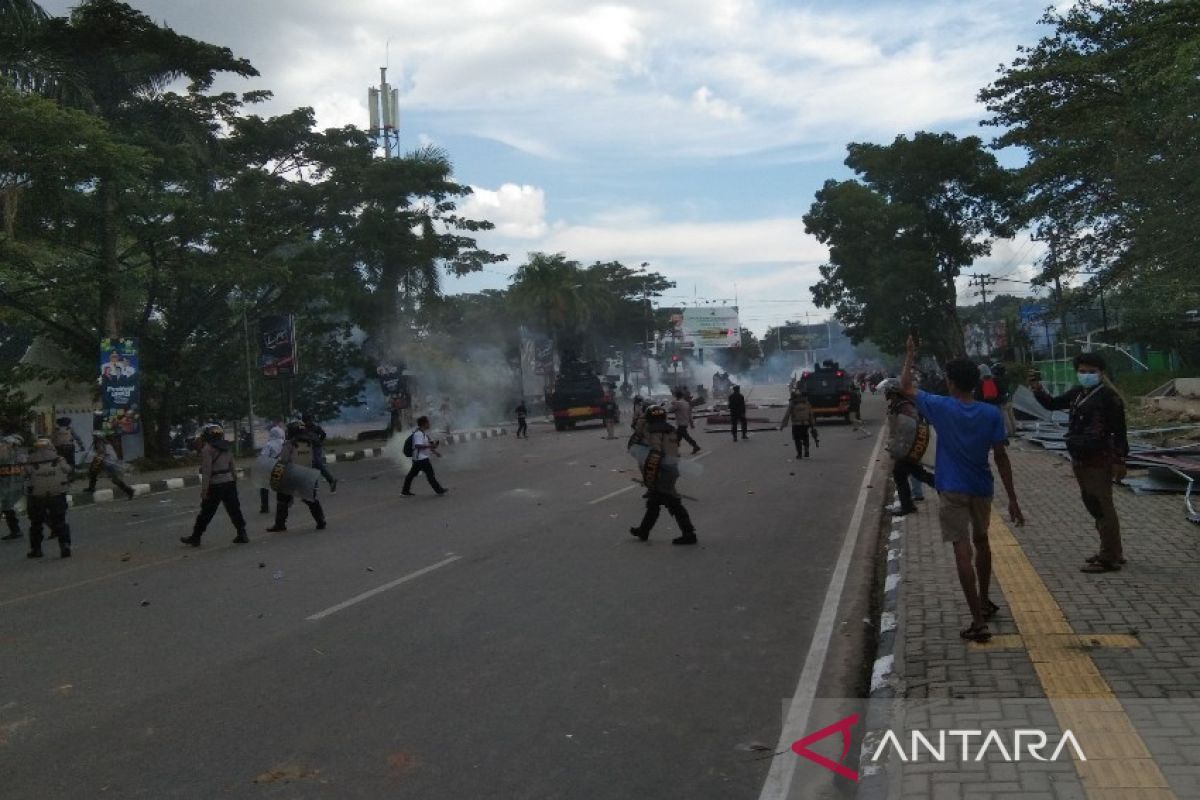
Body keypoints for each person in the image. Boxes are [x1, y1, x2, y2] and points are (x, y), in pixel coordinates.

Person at [900, 335, 1024, 643]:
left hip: (951, 487)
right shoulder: (991, 414)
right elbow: (1002, 456)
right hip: (982, 486)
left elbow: (905, 387)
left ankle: (978, 621)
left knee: (961, 549)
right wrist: (1013, 499)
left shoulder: (941, 406)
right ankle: (984, 599)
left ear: (952, 383)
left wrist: (910, 355)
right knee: (983, 542)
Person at [1029, 352, 1128, 573]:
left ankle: (1109, 557)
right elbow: (1052, 404)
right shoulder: (1078, 393)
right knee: (1093, 504)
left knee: (1103, 506)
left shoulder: (1109, 398)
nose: (1086, 375)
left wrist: (1119, 460)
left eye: (1091, 372)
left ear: (1101, 373)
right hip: (1080, 457)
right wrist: (1037, 387)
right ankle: (1112, 550)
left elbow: (1119, 431)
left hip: (1099, 458)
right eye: (1082, 371)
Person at [629, 404, 697, 545]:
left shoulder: (655, 432)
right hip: (672, 468)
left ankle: (689, 534)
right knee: (653, 503)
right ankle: (643, 530)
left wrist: (650, 475)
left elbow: (656, 454)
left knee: (674, 504)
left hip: (662, 473)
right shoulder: (671, 430)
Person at [180, 425, 247, 546]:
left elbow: (207, 471)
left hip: (215, 485)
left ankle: (196, 537)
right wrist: (234, 482)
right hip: (229, 483)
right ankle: (242, 534)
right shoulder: (227, 447)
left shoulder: (207, 449)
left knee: (206, 512)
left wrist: (204, 490)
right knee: (234, 510)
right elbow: (232, 467)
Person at [878, 378, 936, 516]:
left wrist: (899, 446)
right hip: (906, 448)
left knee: (903, 473)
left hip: (908, 448)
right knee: (917, 474)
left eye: (887, 391)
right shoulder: (898, 404)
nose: (885, 393)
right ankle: (909, 504)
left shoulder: (904, 406)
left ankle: (909, 505)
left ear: (893, 392)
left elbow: (909, 427)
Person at [267, 421, 327, 532]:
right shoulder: (309, 443)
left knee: (282, 499)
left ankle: (280, 524)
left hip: (292, 474)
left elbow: (284, 461)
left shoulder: (289, 444)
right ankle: (321, 521)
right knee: (311, 499)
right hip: (307, 474)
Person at [24, 437, 72, 558]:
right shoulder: (59, 459)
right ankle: (64, 545)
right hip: (57, 493)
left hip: (37, 496)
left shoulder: (31, 460)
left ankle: (36, 550)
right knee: (60, 521)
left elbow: (24, 474)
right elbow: (68, 470)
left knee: (36, 523)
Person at [402, 416, 448, 496]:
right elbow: (417, 445)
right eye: (428, 422)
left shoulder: (423, 433)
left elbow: (426, 445)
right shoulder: (418, 434)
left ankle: (404, 491)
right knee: (430, 474)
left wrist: (435, 452)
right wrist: (430, 446)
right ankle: (439, 490)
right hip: (421, 459)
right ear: (424, 424)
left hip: (418, 459)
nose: (429, 424)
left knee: (411, 475)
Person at [85, 433, 134, 499]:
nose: (93, 438)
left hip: (107, 462)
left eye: (94, 436)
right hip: (108, 462)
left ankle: (129, 491)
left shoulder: (99, 442)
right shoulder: (105, 442)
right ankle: (91, 487)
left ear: (97, 437)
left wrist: (96, 461)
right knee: (93, 472)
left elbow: (101, 452)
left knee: (114, 479)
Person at [302, 413, 337, 494]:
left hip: (315, 448)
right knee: (311, 466)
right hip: (308, 448)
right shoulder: (304, 428)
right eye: (307, 420)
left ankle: (331, 480)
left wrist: (319, 442)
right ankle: (315, 484)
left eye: (309, 420)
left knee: (317, 465)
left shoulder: (315, 428)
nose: (308, 422)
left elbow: (323, 434)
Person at [779, 389, 817, 459]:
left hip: (796, 424)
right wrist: (813, 426)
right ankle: (806, 450)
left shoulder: (793, 403)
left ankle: (799, 454)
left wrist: (782, 425)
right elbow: (811, 415)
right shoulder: (806, 402)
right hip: (805, 424)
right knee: (805, 436)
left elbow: (787, 415)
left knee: (797, 439)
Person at [1, 434, 25, 541]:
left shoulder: (6, 454)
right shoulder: (20, 455)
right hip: (15, 485)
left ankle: (16, 531)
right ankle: (15, 530)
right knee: (8, 509)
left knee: (8, 508)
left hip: (6, 485)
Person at [257, 423, 285, 514]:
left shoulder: (269, 444)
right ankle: (284, 505)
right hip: (281, 466)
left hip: (270, 467)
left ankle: (265, 507)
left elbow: (264, 456)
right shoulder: (284, 443)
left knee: (264, 486)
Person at [670, 389, 700, 454]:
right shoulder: (686, 403)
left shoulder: (678, 403)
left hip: (681, 423)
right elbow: (689, 414)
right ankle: (695, 446)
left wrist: (674, 403)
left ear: (676, 396)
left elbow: (670, 410)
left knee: (681, 437)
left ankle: (695, 446)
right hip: (685, 422)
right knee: (680, 436)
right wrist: (691, 423)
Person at [992, 363, 1018, 436]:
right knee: (1011, 416)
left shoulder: (995, 380)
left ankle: (1009, 432)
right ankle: (1014, 430)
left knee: (1005, 417)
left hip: (1002, 400)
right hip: (1008, 398)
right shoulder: (1006, 378)